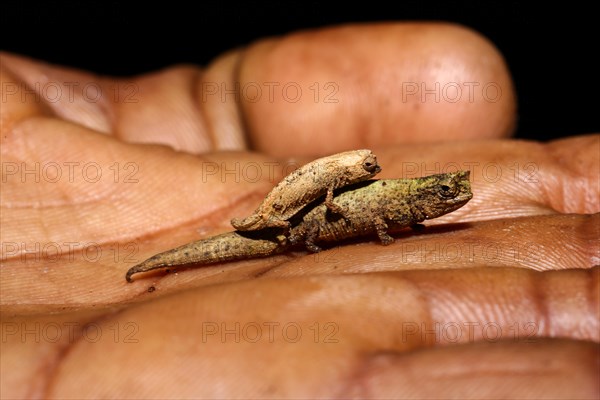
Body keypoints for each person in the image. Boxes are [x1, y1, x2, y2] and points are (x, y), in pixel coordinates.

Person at [1, 22, 598, 398]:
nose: (457, 202)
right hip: (298, 231)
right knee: (245, 247)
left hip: (319, 219)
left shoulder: (410, 199)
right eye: (447, 196)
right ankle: (169, 261)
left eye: (449, 196)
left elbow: (386, 210)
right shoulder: (400, 198)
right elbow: (376, 212)